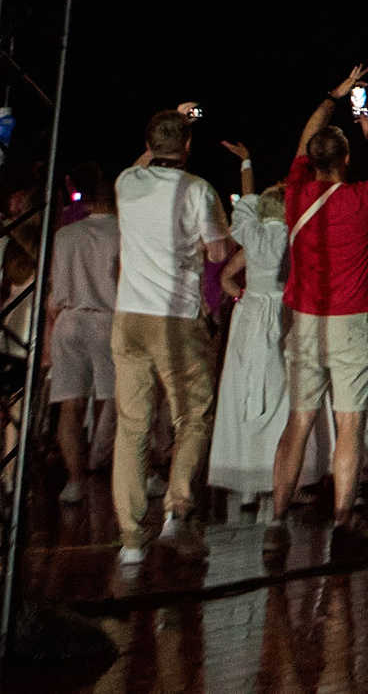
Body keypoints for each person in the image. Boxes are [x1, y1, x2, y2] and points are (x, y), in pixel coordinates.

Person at [268, 66, 368, 559]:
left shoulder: (295, 192)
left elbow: (306, 142)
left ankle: (277, 520)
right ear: (346, 158)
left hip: (305, 321)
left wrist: (331, 97)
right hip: (352, 323)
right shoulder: (364, 198)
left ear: (309, 161)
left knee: (298, 422)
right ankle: (344, 521)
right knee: (350, 427)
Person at [110, 103, 234, 566]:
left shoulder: (127, 182)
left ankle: (129, 538)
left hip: (128, 316)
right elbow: (218, 251)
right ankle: (176, 511)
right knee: (193, 416)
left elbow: (142, 163)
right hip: (174, 318)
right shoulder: (198, 189)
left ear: (149, 145)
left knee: (132, 426)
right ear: (188, 146)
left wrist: (167, 120)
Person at [205, 142, 318, 512]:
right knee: (283, 396)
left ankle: (247, 482)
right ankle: (282, 479)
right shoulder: (291, 237)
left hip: (249, 317)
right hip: (280, 315)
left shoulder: (252, 235)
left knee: (242, 393)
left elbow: (226, 276)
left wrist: (243, 297)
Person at [46, 161, 120, 507]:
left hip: (70, 319)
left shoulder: (65, 235)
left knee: (70, 405)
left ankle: (74, 480)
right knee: (121, 400)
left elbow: (57, 289)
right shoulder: (123, 233)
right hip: (106, 320)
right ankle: (117, 466)